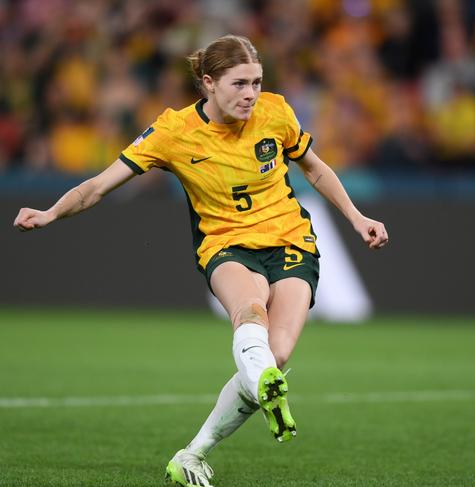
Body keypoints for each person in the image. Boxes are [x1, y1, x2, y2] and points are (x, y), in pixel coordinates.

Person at [13, 35, 388, 487]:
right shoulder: (172, 132)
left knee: (277, 356)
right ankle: (260, 382)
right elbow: (97, 185)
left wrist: (356, 216)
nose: (250, 94)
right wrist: (52, 212)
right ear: (208, 83)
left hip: (292, 241)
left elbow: (315, 169)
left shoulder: (275, 113)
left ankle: (193, 454)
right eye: (239, 83)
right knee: (249, 311)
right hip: (226, 244)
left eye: (256, 82)